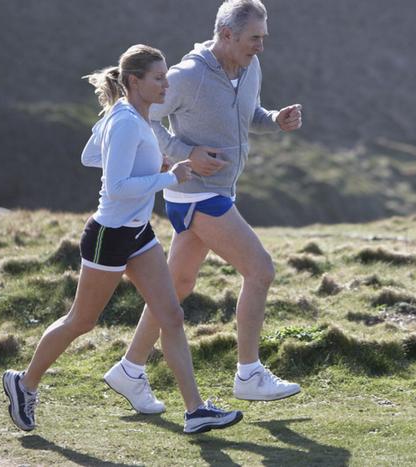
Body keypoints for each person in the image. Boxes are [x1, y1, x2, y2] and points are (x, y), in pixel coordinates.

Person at [2, 44, 243, 435]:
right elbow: (115, 187)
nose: (166, 85)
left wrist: (146, 163)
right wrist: (169, 175)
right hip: (109, 237)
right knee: (82, 321)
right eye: (158, 78)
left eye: (166, 77)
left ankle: (196, 411)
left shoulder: (135, 118)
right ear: (134, 81)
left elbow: (91, 155)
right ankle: (24, 383)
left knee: (171, 315)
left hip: (138, 233)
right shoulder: (126, 121)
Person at [102, 0, 304, 409]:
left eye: (263, 37)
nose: (261, 46)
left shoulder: (249, 67)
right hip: (196, 193)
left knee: (177, 286)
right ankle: (249, 373)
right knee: (260, 270)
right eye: (254, 38)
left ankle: (129, 368)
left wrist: (274, 119)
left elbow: (248, 115)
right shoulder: (188, 75)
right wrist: (186, 154)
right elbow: (143, 117)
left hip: (219, 190)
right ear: (227, 35)